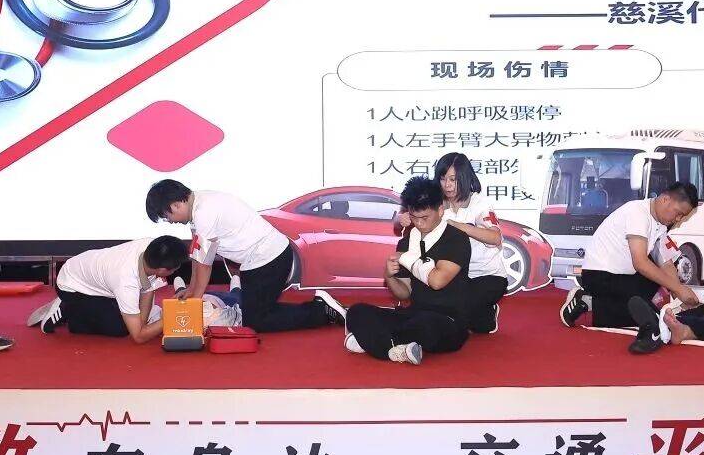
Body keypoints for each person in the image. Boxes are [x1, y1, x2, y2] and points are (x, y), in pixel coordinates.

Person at [145, 180, 346, 332]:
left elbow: (205, 264)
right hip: (258, 262)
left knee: (256, 320)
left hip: (269, 260)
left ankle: (321, 312)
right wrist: (191, 290)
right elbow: (198, 257)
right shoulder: (199, 205)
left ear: (175, 205)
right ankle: (318, 308)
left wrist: (195, 300)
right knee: (255, 312)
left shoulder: (204, 212)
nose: (170, 222)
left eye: (166, 216)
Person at [345, 176, 473, 365]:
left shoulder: (456, 239)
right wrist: (389, 276)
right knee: (356, 312)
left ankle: (375, 342)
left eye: (425, 217)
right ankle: (397, 349)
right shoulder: (406, 242)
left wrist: (407, 258)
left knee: (425, 326)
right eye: (414, 217)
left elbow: (437, 281)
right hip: (413, 314)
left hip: (448, 320)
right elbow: (404, 293)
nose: (419, 223)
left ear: (440, 210)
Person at [560, 182, 701, 354]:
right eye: (678, 214)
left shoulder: (661, 225)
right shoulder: (637, 212)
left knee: (650, 286)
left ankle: (591, 303)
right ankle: (592, 302)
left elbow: (666, 263)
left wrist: (678, 294)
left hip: (623, 278)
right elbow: (640, 263)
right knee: (645, 298)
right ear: (665, 199)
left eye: (682, 216)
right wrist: (678, 289)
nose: (678, 220)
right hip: (600, 276)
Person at [27, 236, 189, 343]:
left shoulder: (153, 247)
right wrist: (171, 317)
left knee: (133, 317)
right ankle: (67, 308)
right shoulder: (126, 282)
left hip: (91, 277)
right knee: (121, 328)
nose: (176, 270)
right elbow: (138, 336)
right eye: (175, 268)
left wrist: (144, 323)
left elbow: (148, 289)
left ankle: (78, 309)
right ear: (162, 269)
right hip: (71, 286)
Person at [432, 152, 508, 334]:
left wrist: (459, 226)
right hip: (453, 276)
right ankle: (485, 316)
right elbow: (409, 216)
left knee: (457, 314)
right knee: (443, 311)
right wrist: (402, 219)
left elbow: (495, 237)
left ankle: (482, 311)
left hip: (487, 276)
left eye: (453, 179)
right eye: (443, 179)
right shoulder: (435, 203)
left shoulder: (480, 203)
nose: (447, 185)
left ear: (465, 178)